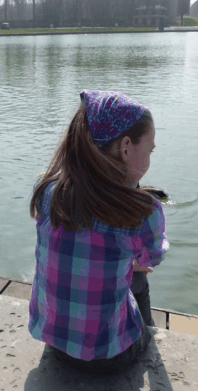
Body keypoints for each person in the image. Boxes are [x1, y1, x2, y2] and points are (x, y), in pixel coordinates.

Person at [28, 90, 169, 374]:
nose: (151, 157)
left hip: (55, 342)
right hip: (110, 355)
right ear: (126, 147)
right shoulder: (143, 210)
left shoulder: (46, 190)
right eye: (150, 150)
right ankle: (149, 336)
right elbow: (152, 257)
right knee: (139, 280)